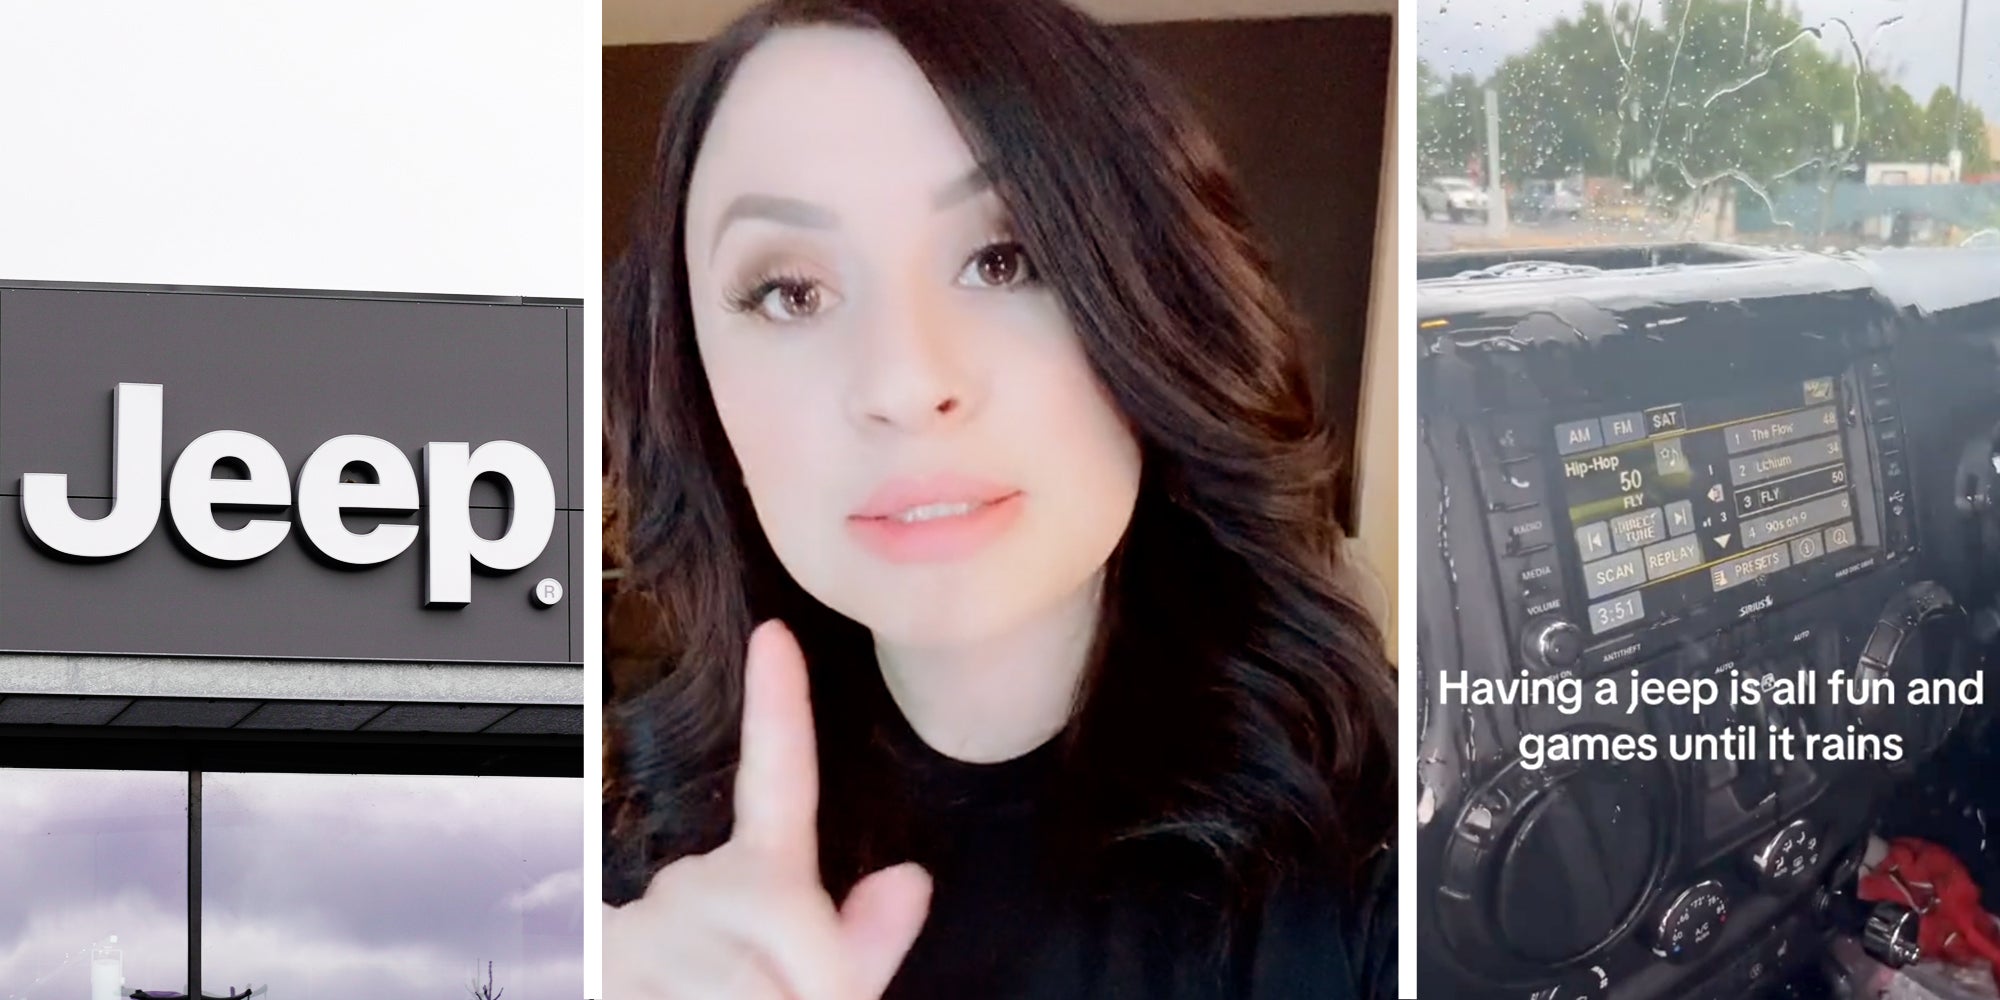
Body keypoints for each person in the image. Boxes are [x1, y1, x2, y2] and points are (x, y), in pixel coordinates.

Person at [601, 0, 1396, 996]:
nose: (901, 380)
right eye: (790, 292)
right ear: (694, 381)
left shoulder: (1409, 852)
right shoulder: (637, 884)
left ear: (1152, 304)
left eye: (1003, 259)